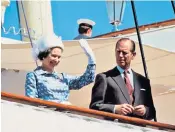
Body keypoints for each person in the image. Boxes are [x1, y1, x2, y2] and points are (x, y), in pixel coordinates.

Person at [89, 38, 156, 120]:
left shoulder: (143, 81)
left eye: (124, 53)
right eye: (118, 52)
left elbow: (152, 112)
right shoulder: (104, 78)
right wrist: (115, 108)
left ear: (133, 55)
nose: (120, 55)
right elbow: (94, 106)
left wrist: (145, 111)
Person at [25, 33, 96, 105]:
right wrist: (56, 104)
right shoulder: (34, 76)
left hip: (65, 113)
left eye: (59, 57)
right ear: (43, 55)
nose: (56, 60)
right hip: (46, 114)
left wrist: (91, 60)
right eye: (54, 56)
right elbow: (32, 101)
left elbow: (86, 79)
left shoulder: (64, 78)